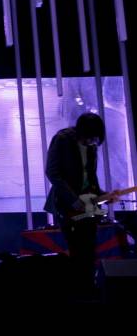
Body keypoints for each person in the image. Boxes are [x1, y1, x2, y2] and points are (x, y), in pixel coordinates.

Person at [44, 112, 117, 298]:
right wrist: (74, 200)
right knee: (76, 249)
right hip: (67, 204)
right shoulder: (62, 140)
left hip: (87, 205)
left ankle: (89, 289)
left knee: (89, 249)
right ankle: (78, 292)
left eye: (95, 139)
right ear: (81, 131)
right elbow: (53, 173)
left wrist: (103, 196)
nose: (92, 142)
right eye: (89, 137)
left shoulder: (91, 147)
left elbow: (90, 179)